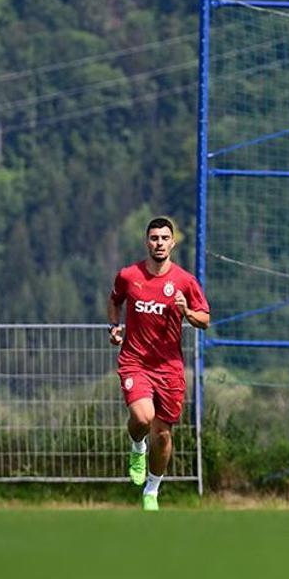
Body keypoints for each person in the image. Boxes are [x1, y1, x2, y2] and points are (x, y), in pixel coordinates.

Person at [107, 217, 209, 511]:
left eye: (165, 238)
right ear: (147, 242)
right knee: (142, 418)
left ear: (172, 243)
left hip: (169, 368)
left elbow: (205, 319)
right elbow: (115, 301)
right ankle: (137, 446)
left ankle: (152, 490)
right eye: (154, 238)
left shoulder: (185, 281)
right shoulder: (129, 275)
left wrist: (187, 311)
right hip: (135, 362)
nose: (159, 243)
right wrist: (114, 328)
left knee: (163, 435)